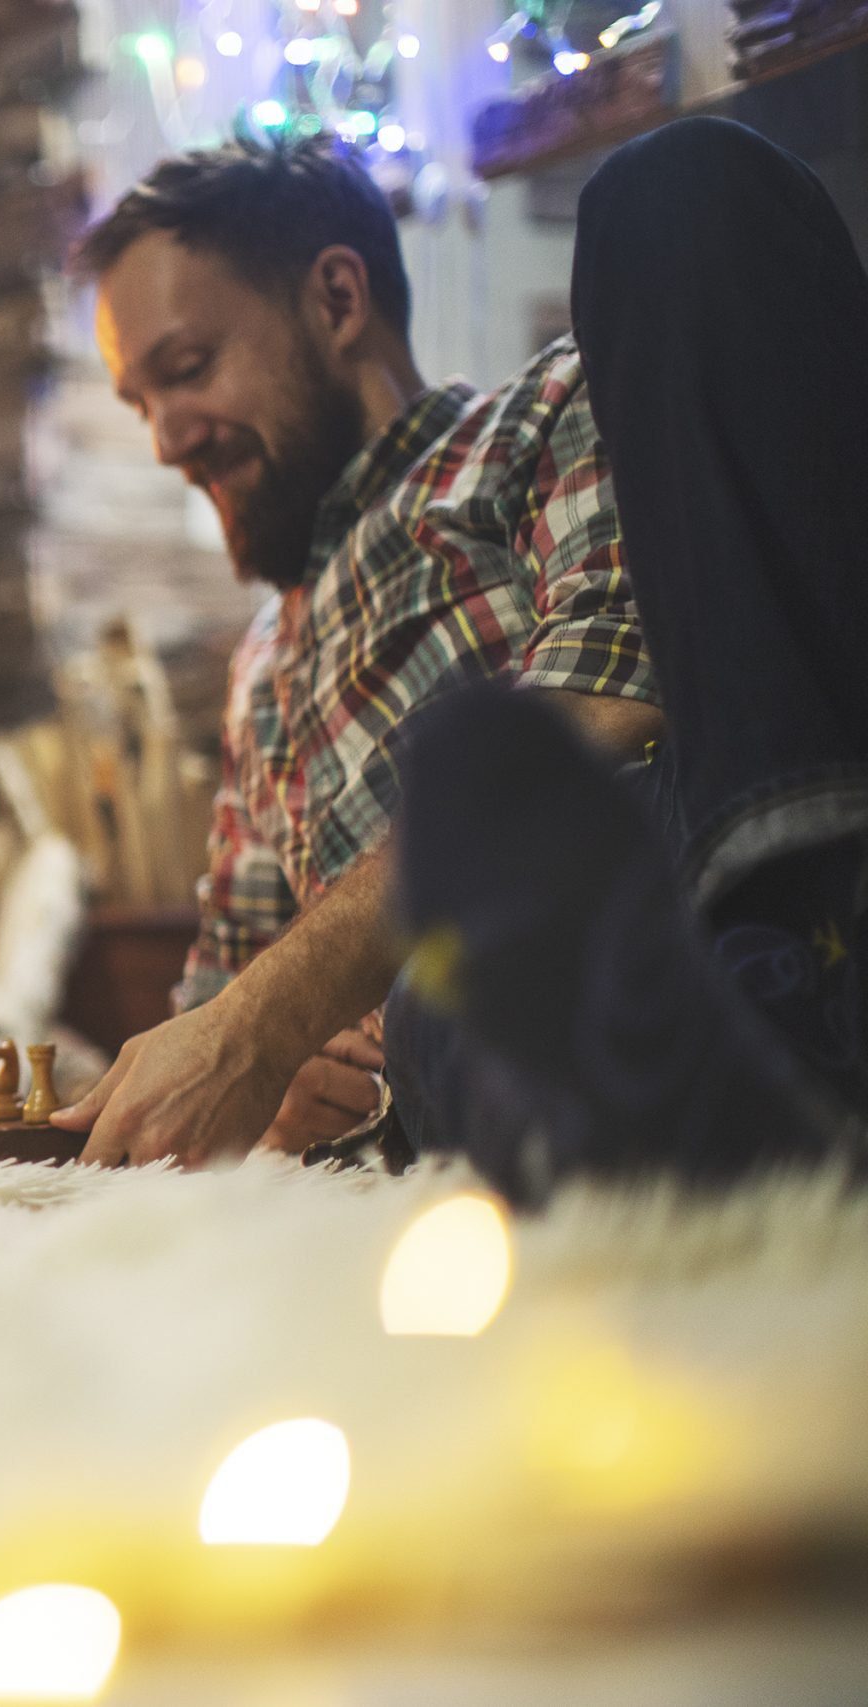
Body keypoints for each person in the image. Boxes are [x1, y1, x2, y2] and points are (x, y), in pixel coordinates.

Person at [51, 119, 866, 1192]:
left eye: (187, 369)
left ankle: (789, 954)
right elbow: (216, 1019)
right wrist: (271, 1068)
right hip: (478, 1040)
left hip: (666, 870)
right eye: (139, 403)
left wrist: (274, 1013)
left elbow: (612, 702)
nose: (164, 436)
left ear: (337, 301)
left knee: (673, 189)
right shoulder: (257, 675)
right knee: (441, 1007)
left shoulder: (540, 419)